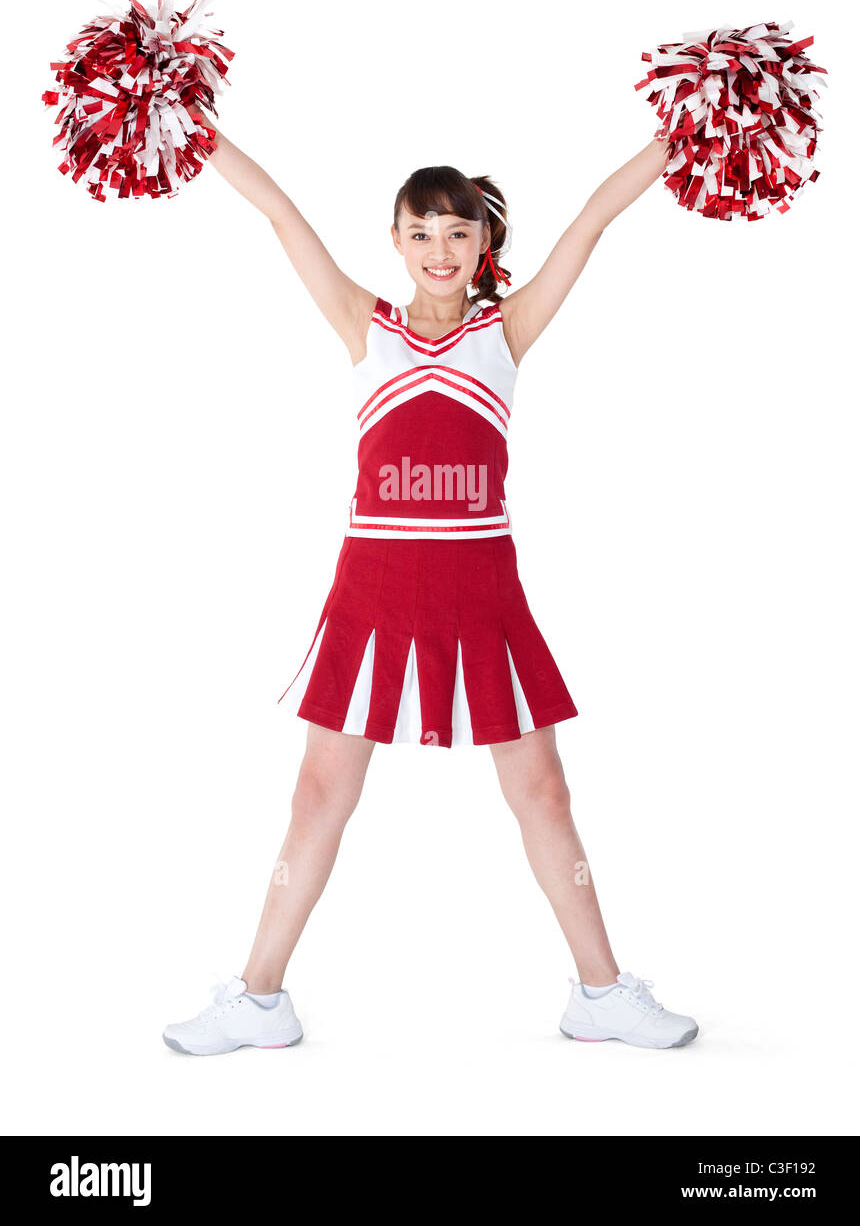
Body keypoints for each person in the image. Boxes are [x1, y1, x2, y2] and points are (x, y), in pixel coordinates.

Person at [162, 121, 698, 1055]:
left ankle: (601, 992)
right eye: (420, 232)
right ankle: (257, 999)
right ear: (397, 243)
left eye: (457, 232)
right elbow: (280, 213)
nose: (439, 250)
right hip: (371, 595)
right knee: (320, 790)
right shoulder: (362, 324)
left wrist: (691, 125)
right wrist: (185, 124)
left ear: (483, 243)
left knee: (542, 792)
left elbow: (596, 219)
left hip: (484, 597)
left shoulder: (509, 329)